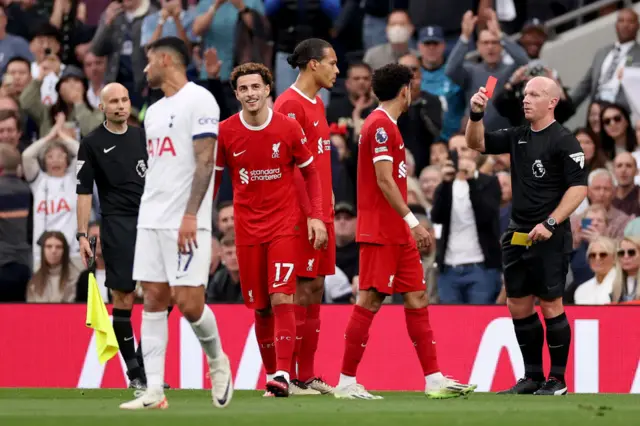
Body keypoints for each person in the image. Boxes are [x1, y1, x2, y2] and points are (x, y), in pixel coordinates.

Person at [334, 63, 476, 400]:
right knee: (369, 300)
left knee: (417, 297)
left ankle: (434, 379)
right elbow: (384, 179)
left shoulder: (385, 125)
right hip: (382, 230)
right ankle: (345, 381)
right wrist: (413, 221)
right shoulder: (381, 126)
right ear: (404, 91)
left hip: (396, 231)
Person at [119, 37, 232, 410]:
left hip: (186, 220)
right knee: (152, 298)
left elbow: (204, 162)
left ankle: (218, 362)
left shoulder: (200, 100)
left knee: (188, 303)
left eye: (149, 62)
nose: (145, 69)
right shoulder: (152, 110)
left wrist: (190, 214)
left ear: (166, 60)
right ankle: (154, 390)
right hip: (151, 217)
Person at [465, 76, 588, 395]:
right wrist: (476, 115)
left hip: (550, 235)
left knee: (551, 304)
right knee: (518, 304)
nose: (526, 98)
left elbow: (579, 188)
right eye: (525, 93)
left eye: (535, 94)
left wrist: (551, 222)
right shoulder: (517, 135)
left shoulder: (564, 139)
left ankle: (557, 380)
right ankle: (532, 375)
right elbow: (476, 144)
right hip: (517, 235)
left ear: (552, 102)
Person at [214, 62, 326, 397]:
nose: (250, 93)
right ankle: (272, 377)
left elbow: (311, 173)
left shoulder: (288, 128)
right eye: (243, 89)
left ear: (267, 91)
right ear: (237, 94)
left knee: (282, 297)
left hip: (283, 226)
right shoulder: (226, 131)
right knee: (260, 307)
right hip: (246, 230)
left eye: (255, 87)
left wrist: (315, 215)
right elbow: (214, 180)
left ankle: (281, 374)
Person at [272, 38, 338, 395]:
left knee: (315, 287)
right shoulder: (288, 105)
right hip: (299, 215)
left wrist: (326, 200)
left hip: (320, 210)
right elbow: (291, 168)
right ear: (313, 64)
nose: (337, 70)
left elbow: (317, 162)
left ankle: (306, 375)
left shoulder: (318, 104)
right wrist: (312, 213)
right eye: (332, 62)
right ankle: (287, 374)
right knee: (298, 288)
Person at [76, 82, 150, 390]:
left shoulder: (143, 136)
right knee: (125, 296)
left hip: (152, 220)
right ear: (102, 107)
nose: (120, 105)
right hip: (118, 223)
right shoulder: (92, 143)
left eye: (124, 100)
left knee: (168, 294)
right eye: (114, 101)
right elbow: (82, 191)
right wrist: (82, 234)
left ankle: (145, 364)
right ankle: (135, 372)